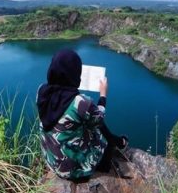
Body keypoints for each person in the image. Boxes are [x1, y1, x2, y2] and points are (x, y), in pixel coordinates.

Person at [36, 49, 128, 180]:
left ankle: (116, 141)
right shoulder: (80, 102)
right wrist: (103, 94)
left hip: (51, 159)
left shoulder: (41, 91)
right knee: (98, 131)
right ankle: (108, 155)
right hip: (71, 170)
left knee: (85, 122)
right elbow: (99, 117)